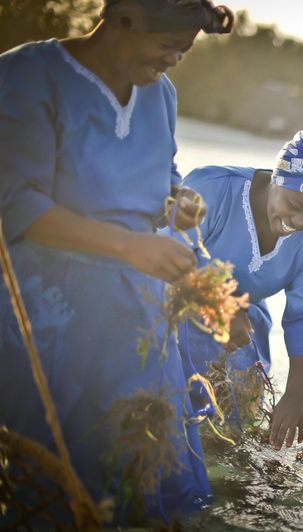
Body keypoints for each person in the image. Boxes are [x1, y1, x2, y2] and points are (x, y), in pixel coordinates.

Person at [0, 0, 234, 523]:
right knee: (56, 465)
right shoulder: (30, 75)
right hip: (51, 313)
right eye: (169, 45)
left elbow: (163, 173)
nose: (176, 59)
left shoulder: (161, 93)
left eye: (186, 49)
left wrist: (177, 200)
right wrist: (130, 246)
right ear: (125, 16)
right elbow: (14, 202)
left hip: (135, 316)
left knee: (137, 457)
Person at [174, 126, 303, 451]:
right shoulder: (211, 189)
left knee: (230, 429)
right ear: (277, 178)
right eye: (294, 204)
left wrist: (295, 396)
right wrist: (220, 305)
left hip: (245, 324)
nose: (298, 222)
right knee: (172, 415)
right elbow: (167, 254)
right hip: (174, 304)